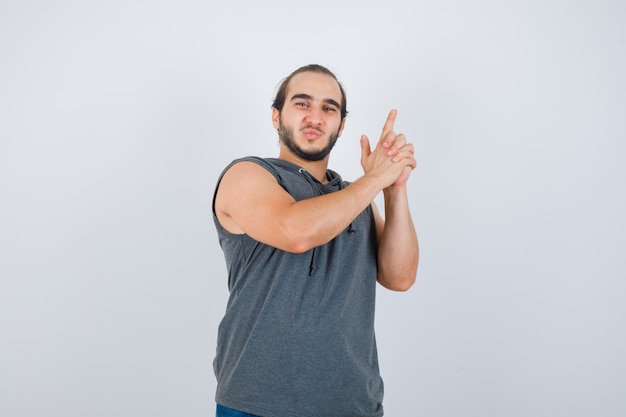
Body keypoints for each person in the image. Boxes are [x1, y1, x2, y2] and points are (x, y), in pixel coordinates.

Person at [211, 64, 419, 417]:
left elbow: (399, 277)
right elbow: (295, 231)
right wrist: (372, 181)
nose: (316, 117)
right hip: (257, 404)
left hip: (354, 404)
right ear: (276, 117)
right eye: (302, 104)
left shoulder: (353, 197)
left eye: (329, 108)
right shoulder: (248, 174)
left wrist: (393, 187)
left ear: (341, 125)